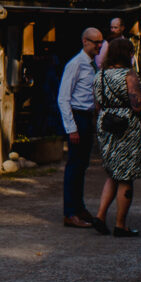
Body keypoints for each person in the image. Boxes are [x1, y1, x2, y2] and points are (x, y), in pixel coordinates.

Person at [93, 37, 141, 236]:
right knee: (126, 175)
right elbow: (137, 104)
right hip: (126, 127)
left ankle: (100, 215)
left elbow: (98, 104)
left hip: (106, 123)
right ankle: (120, 224)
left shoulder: (100, 75)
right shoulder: (129, 75)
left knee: (113, 173)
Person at [57, 27, 104, 227]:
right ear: (85, 41)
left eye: (101, 42)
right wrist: (72, 128)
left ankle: (79, 206)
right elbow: (63, 98)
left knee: (83, 165)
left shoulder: (92, 65)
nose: (99, 46)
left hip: (88, 116)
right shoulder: (75, 64)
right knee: (74, 166)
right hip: (77, 116)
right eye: (95, 42)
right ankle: (70, 212)